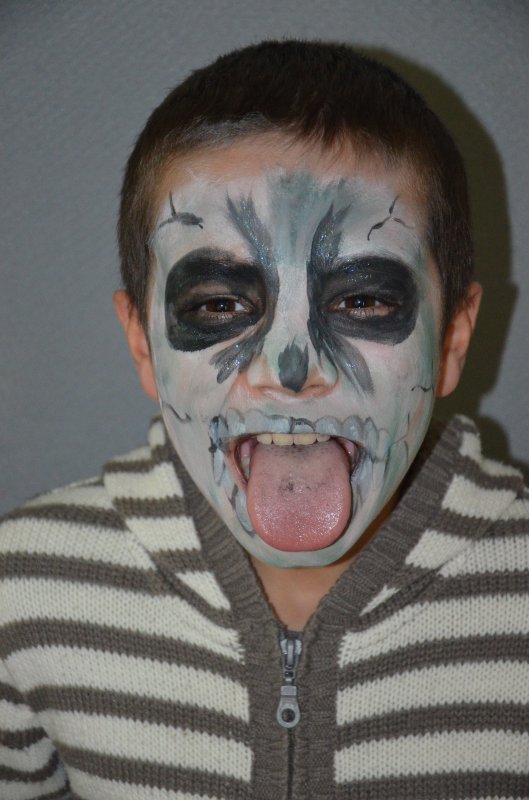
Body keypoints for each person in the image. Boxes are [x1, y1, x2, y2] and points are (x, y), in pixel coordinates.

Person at [1, 40, 528, 800]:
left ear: (450, 341)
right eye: (220, 304)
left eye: (361, 299)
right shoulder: (25, 593)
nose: (290, 369)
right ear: (143, 345)